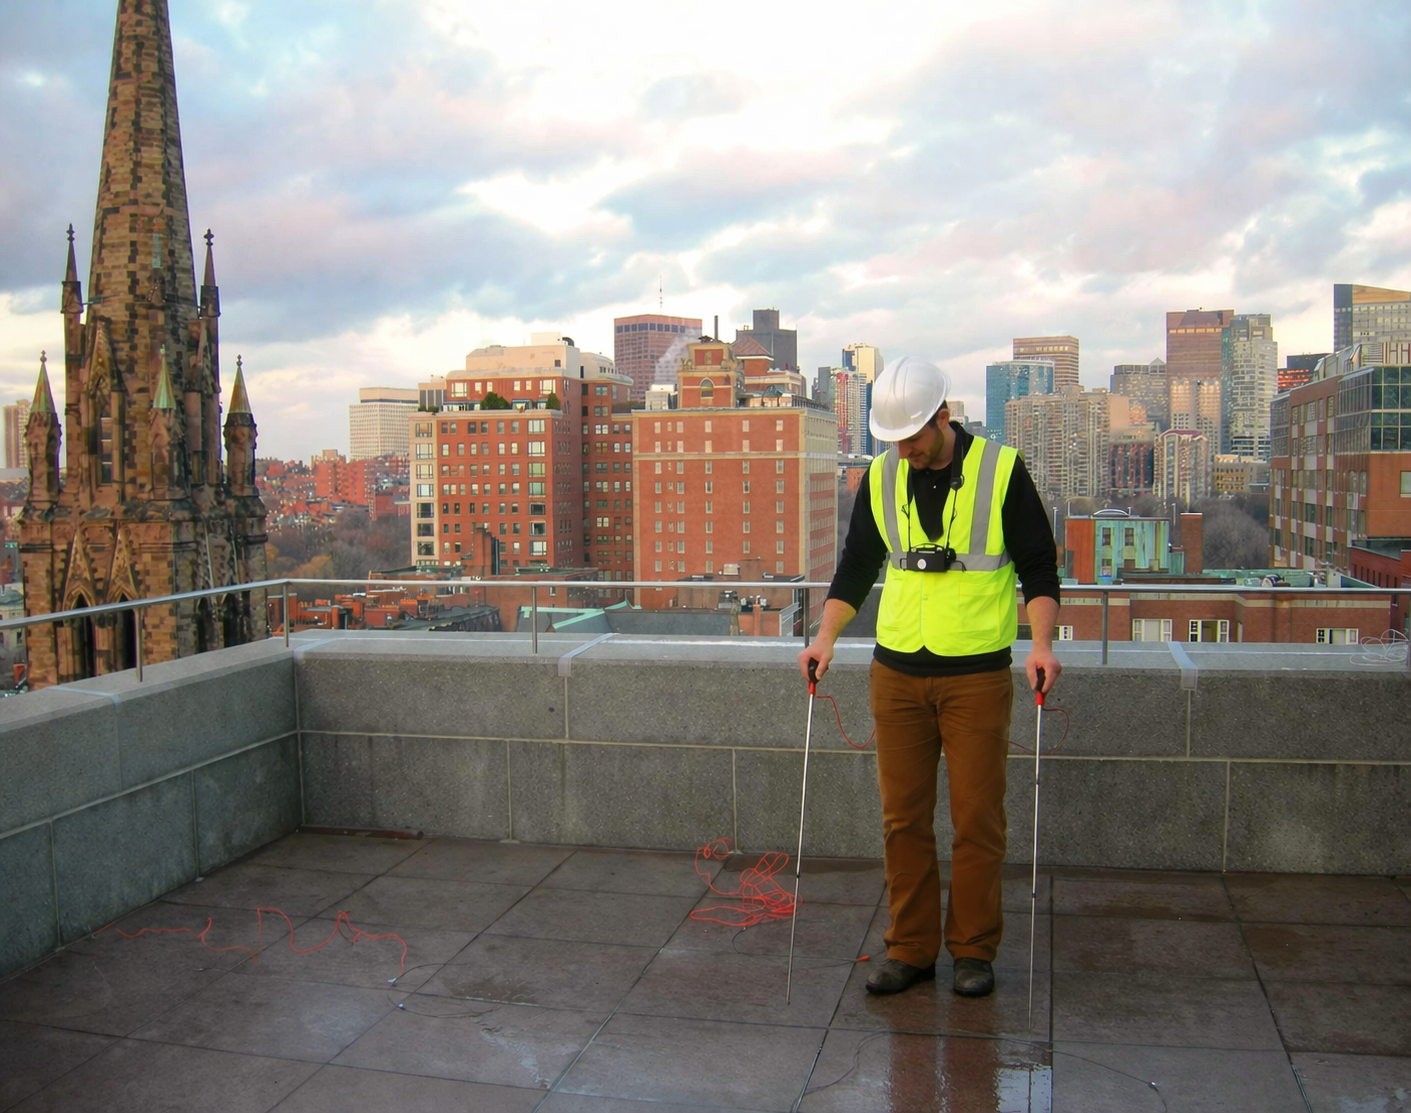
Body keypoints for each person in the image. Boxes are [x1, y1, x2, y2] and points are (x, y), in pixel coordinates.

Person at [799, 355, 1061, 998]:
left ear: (944, 417)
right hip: (897, 672)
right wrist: (824, 636)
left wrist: (1044, 646)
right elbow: (857, 565)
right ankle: (910, 949)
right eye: (893, 441)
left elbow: (1038, 565)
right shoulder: (883, 477)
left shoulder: (1002, 470)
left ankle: (972, 951)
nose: (906, 451)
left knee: (977, 820)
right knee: (902, 820)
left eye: (914, 438)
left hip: (976, 673)